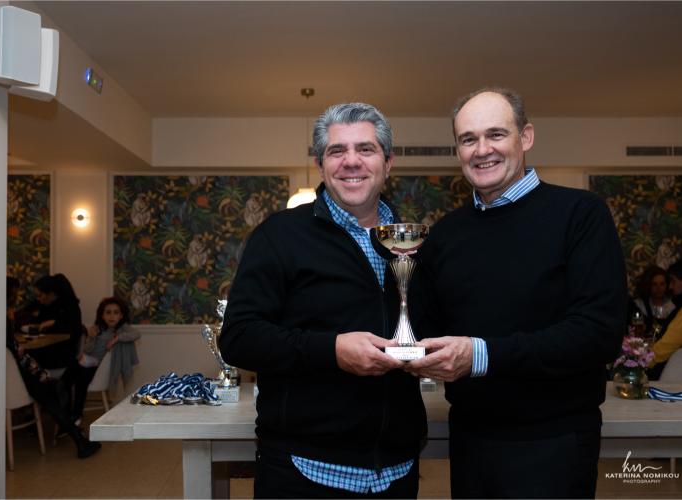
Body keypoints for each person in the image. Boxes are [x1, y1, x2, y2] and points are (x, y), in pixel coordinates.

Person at [407, 88, 626, 498]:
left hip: (555, 442)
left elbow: (598, 333)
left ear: (525, 137)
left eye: (496, 134)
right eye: (468, 139)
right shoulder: (444, 235)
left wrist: (481, 355)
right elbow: (424, 327)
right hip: (470, 439)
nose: (482, 150)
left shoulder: (580, 214)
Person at [220, 102, 427, 498]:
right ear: (320, 164)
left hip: (397, 471)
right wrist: (332, 350)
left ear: (388, 163)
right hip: (305, 471)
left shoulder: (413, 242)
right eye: (337, 151)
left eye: (365, 149)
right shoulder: (279, 235)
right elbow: (239, 337)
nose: (351, 161)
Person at [6, 277, 101, 459]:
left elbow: (17, 351)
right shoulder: (7, 318)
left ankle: (74, 436)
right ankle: (78, 438)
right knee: (50, 392)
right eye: (14, 294)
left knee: (51, 389)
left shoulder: (3, 318)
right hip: (20, 373)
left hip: (19, 371)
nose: (16, 298)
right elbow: (18, 352)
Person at [61, 296, 138, 425]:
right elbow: (88, 350)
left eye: (116, 312)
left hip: (99, 369)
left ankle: (76, 414)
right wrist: (91, 337)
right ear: (102, 315)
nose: (112, 316)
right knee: (67, 378)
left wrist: (117, 338)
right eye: (108, 312)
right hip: (87, 362)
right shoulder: (98, 328)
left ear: (121, 316)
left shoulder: (122, 328)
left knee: (80, 381)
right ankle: (65, 412)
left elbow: (136, 334)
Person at [17, 273, 83, 369]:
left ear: (51, 294)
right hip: (45, 347)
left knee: (24, 360)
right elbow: (29, 312)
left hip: (61, 353)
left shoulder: (70, 307)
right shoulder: (45, 305)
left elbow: (74, 332)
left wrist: (54, 323)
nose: (38, 299)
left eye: (40, 296)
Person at [647, 257, 682, 379]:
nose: (670, 287)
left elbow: (667, 346)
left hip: (672, 379)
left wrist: (640, 362)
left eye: (673, 281)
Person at [632, 265, 675, 332]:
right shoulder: (639, 304)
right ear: (648, 285)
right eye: (654, 284)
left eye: (662, 284)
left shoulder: (672, 305)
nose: (659, 288)